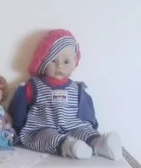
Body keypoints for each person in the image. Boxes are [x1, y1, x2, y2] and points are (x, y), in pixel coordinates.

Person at [10, 29, 122, 160]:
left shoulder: (77, 88)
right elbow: (19, 107)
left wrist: (92, 127)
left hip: (73, 127)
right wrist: (16, 126)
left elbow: (87, 112)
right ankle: (69, 147)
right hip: (43, 128)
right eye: (53, 61)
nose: (59, 66)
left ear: (74, 62)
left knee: (84, 131)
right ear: (43, 62)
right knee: (46, 137)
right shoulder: (34, 86)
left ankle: (100, 143)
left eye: (66, 61)